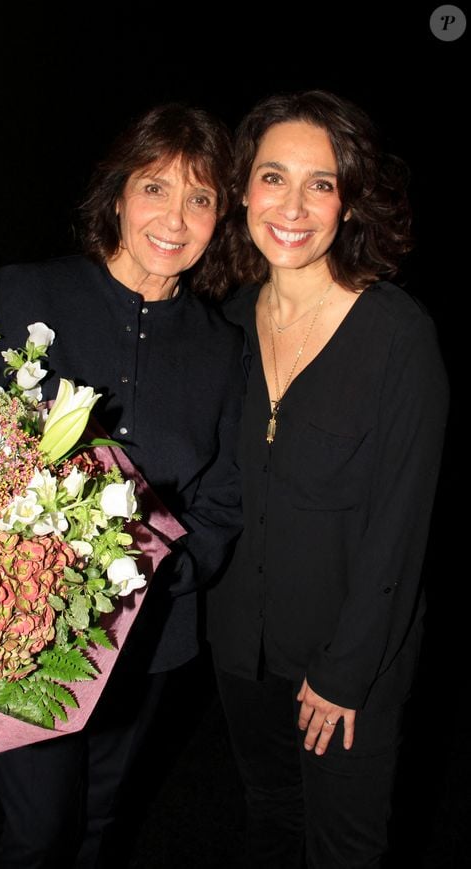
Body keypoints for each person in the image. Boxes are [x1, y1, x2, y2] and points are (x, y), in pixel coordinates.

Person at [0, 102, 245, 868]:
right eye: (155, 187)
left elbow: (224, 499)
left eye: (200, 198)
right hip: (27, 630)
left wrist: (161, 572)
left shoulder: (224, 352)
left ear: (220, 218)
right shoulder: (26, 295)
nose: (175, 217)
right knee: (39, 830)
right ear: (118, 194)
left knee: (99, 821)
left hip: (151, 642)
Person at [206, 89, 450, 868]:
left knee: (345, 848)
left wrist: (345, 674)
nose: (295, 205)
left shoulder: (397, 338)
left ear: (350, 202)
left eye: (322, 182)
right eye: (274, 177)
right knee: (269, 823)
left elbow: (400, 533)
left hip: (348, 666)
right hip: (242, 651)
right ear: (243, 188)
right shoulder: (229, 322)